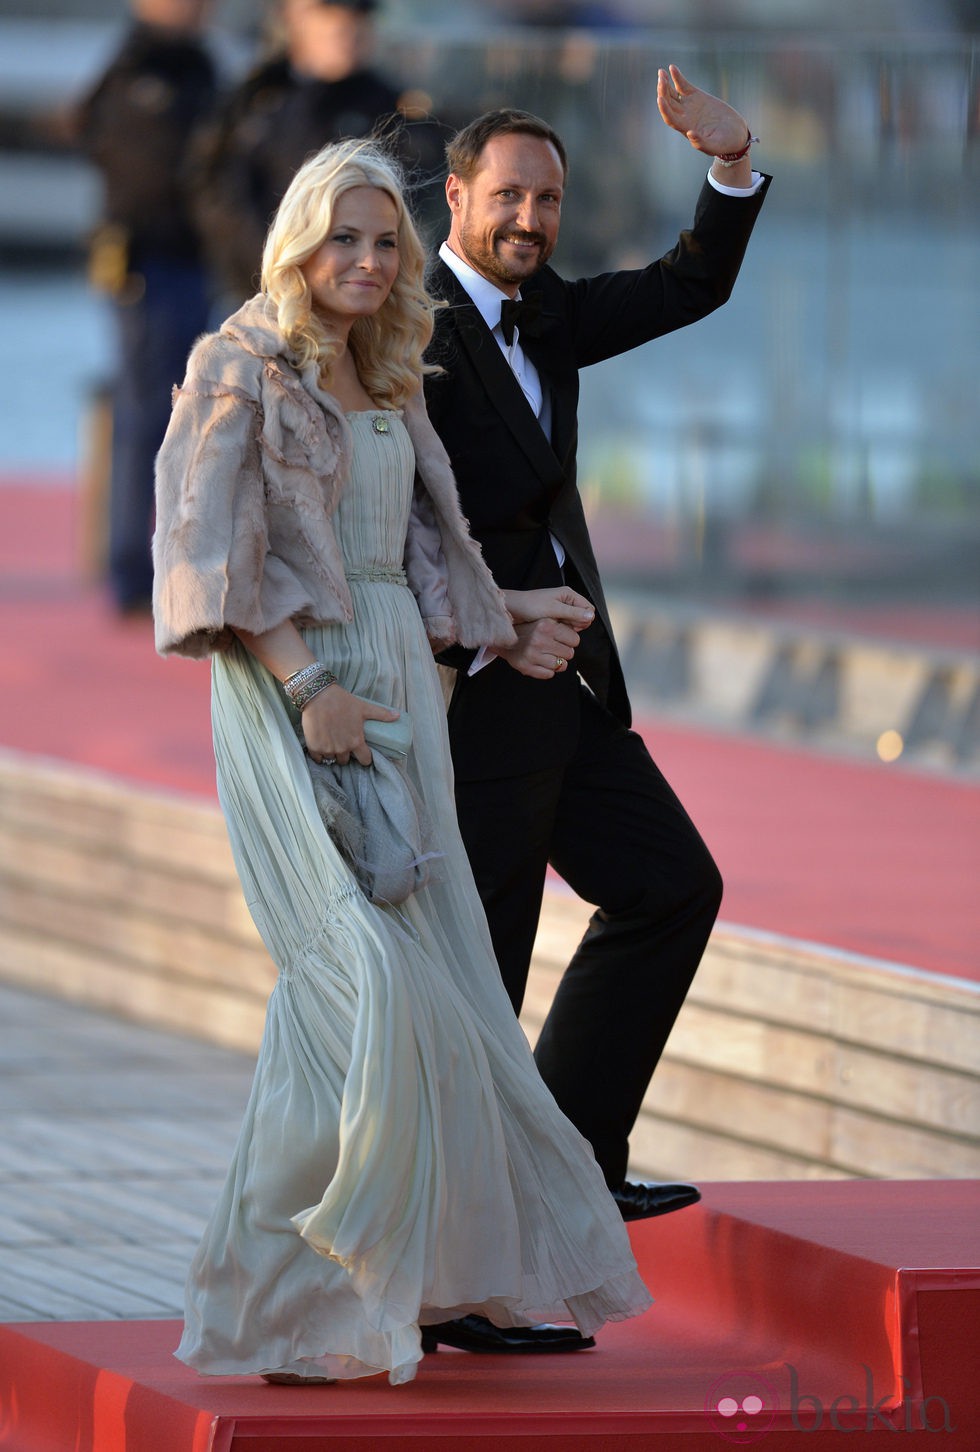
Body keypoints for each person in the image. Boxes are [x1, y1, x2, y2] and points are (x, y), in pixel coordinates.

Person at [152, 139, 651, 1384]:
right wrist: (310, 685)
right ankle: (300, 1298)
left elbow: (416, 559)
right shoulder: (237, 366)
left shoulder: (391, 373)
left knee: (448, 998)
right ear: (298, 244)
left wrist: (499, 619)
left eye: (386, 241)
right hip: (291, 691)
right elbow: (210, 560)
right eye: (345, 239)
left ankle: (438, 1290)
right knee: (361, 989)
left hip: (400, 695)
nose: (369, 262)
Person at [424, 68, 771, 1227]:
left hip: (567, 686)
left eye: (549, 200)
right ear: (456, 195)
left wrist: (727, 165)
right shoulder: (401, 327)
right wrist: (481, 628)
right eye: (509, 197)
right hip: (472, 692)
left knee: (670, 885)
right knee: (483, 977)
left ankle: (564, 1162)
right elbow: (377, 525)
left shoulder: (551, 310)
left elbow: (688, 284)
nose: (530, 219)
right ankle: (462, 1252)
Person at [74, 0, 219, 614]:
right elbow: (143, 169)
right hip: (153, 263)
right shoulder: (141, 70)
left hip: (194, 262)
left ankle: (174, 566)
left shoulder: (195, 65)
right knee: (145, 421)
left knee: (199, 422)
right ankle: (134, 573)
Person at [189, 0, 442, 308]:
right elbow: (217, 188)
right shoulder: (255, 97)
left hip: (358, 296)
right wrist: (271, 267)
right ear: (294, 16)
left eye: (357, 18)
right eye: (329, 15)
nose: (346, 28)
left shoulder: (391, 106)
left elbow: (417, 198)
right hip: (259, 289)